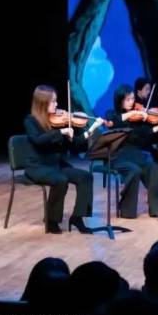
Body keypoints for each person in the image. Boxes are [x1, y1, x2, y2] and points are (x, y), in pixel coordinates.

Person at [23, 84, 105, 234]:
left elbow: (75, 144)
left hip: (56, 165)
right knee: (61, 180)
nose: (57, 105)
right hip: (38, 166)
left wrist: (92, 129)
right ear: (42, 103)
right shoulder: (31, 121)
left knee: (86, 177)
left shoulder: (58, 121)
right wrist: (61, 132)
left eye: (56, 101)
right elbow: (39, 140)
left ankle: (78, 217)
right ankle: (51, 221)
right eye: (53, 101)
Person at [107, 84, 158, 219]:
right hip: (119, 156)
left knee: (153, 167)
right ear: (120, 100)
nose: (132, 102)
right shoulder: (112, 114)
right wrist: (132, 113)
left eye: (132, 99)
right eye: (128, 99)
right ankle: (126, 210)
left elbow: (147, 133)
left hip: (135, 154)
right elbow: (114, 120)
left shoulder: (138, 119)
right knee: (135, 170)